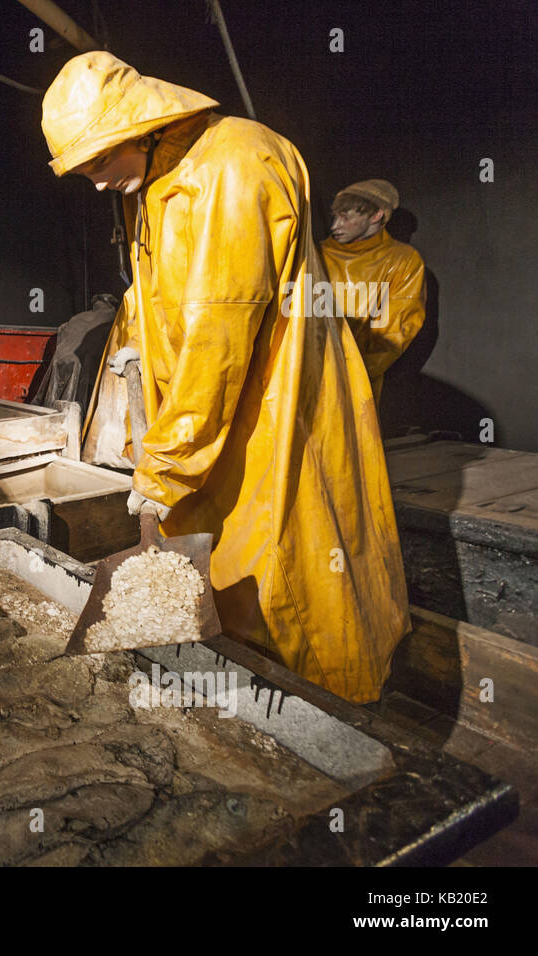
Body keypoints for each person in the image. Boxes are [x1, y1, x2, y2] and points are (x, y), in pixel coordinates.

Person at [42, 52, 409, 704]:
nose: (95, 183)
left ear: (140, 126)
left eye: (98, 162)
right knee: (234, 585)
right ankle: (253, 703)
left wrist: (163, 471)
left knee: (298, 576)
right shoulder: (155, 185)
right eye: (82, 171)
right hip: (209, 422)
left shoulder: (231, 167)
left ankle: (338, 730)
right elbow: (162, 315)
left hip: (270, 408)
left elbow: (219, 340)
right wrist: (149, 436)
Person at [320, 179, 427, 406]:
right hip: (301, 374)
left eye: (346, 217)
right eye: (335, 216)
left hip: (355, 381)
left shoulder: (402, 261)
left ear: (376, 216)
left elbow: (398, 328)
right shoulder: (314, 254)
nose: (335, 226)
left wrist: (358, 371)